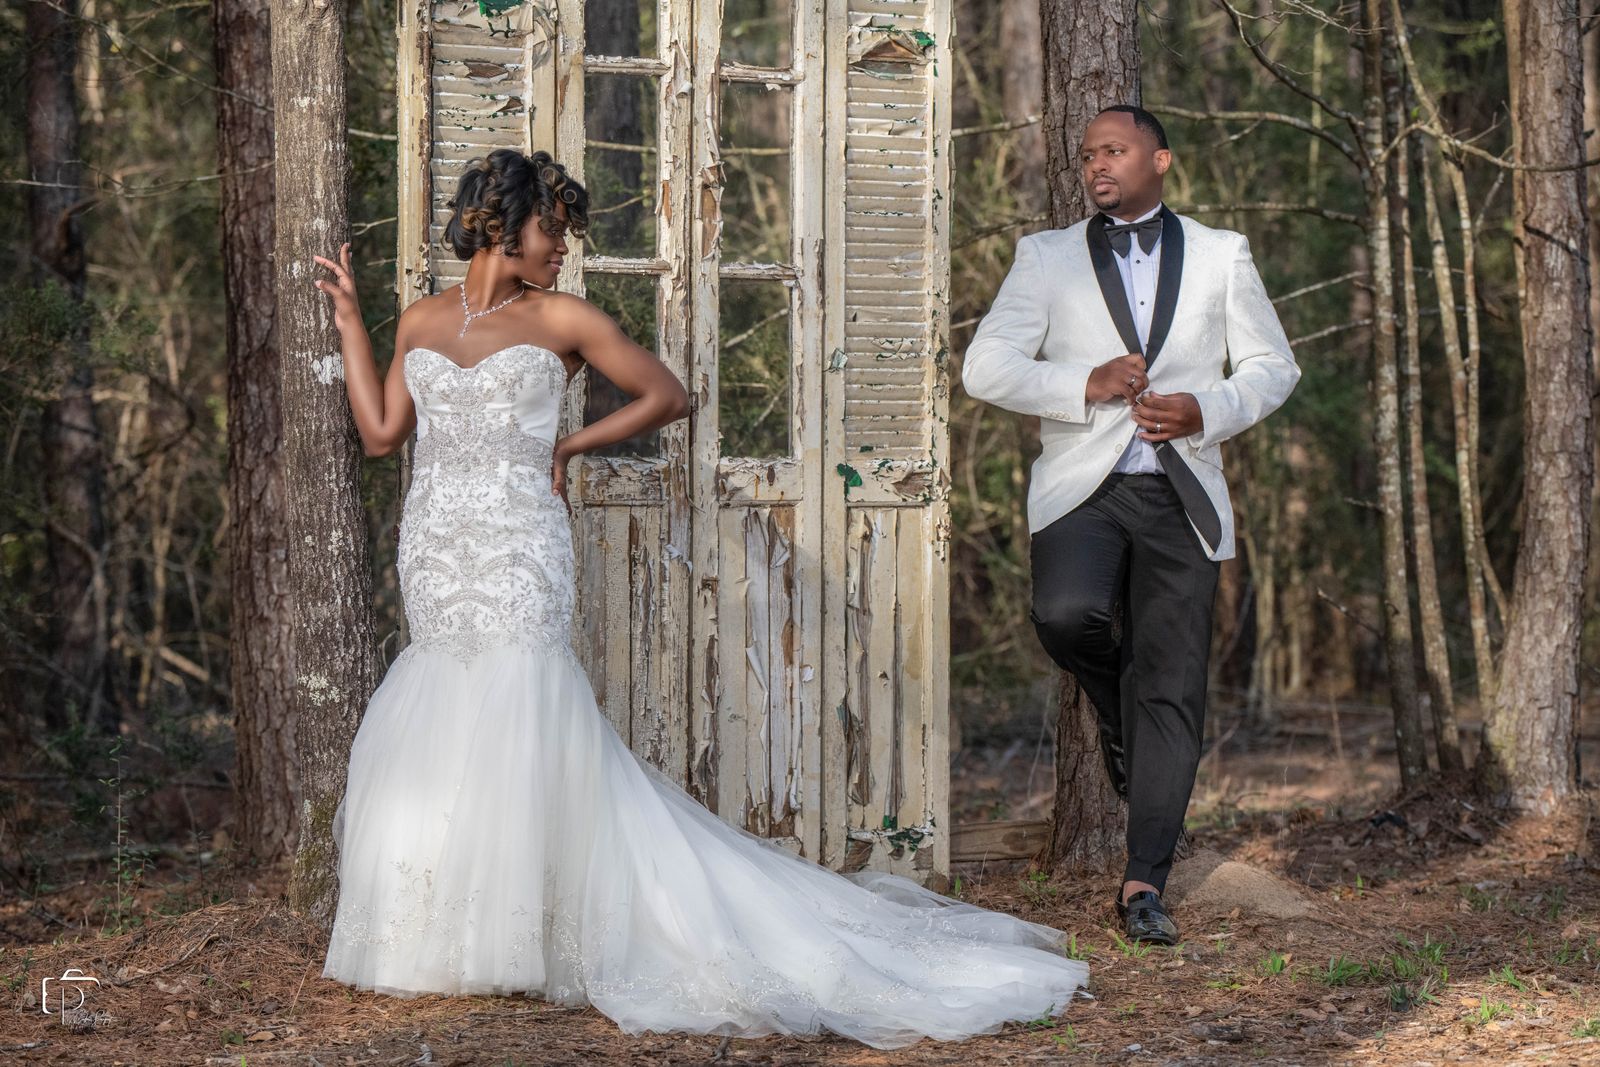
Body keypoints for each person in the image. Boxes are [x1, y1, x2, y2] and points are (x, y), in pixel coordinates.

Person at [311, 147, 1087, 1048]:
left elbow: (666, 394)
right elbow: (380, 433)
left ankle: (530, 931)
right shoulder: (420, 320)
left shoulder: (563, 316)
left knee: (524, 699)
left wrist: (569, 447)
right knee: (446, 704)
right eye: (552, 230)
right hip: (437, 546)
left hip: (521, 544)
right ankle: (444, 933)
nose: (562, 247)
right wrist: (351, 322)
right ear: (504, 225)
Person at [962, 106, 1301, 946]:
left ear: (1161, 160)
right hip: (1085, 487)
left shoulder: (1223, 254)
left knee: (1174, 683)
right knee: (1064, 615)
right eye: (1087, 156)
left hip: (1181, 493)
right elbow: (984, 367)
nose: (1096, 166)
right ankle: (1120, 715)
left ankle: (1144, 882)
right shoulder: (1045, 257)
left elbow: (1274, 367)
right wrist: (1084, 381)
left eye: (1113, 151)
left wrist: (1205, 408)